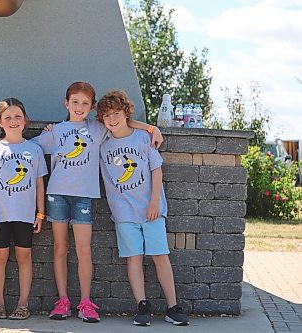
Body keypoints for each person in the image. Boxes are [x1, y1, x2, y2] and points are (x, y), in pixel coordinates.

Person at [31, 82, 163, 323]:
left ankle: (85, 302)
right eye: (75, 102)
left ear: (92, 107)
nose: (79, 107)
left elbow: (126, 122)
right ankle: (62, 301)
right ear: (66, 103)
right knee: (60, 248)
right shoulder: (56, 131)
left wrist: (152, 128)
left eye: (85, 103)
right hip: (56, 195)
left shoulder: (97, 127)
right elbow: (30, 148)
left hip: (84, 196)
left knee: (83, 250)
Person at [96, 90, 189, 326]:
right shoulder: (103, 142)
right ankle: (142, 305)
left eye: (116, 114)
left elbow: (156, 169)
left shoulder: (142, 138)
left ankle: (172, 306)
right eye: (107, 115)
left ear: (125, 113)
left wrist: (155, 200)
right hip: (123, 211)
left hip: (151, 209)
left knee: (160, 255)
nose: (112, 119)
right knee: (134, 258)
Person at [0, 97, 48, 320]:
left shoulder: (34, 149)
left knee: (24, 256)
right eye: (8, 117)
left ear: (25, 120)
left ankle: (22, 304)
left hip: (25, 214)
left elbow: (39, 183)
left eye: (17, 116)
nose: (13, 121)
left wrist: (40, 212)